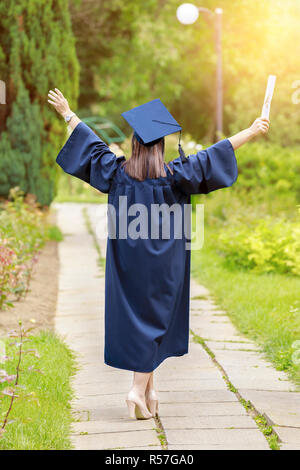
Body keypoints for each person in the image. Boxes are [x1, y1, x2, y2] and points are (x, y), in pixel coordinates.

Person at [48, 88, 269, 420]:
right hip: (166, 266)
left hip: (127, 265)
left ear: (136, 144)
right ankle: (137, 390)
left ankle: (149, 391)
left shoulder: (117, 172)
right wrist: (252, 131)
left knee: (140, 322)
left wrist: (68, 113)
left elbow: (92, 145)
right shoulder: (175, 176)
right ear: (160, 146)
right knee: (157, 322)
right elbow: (215, 153)